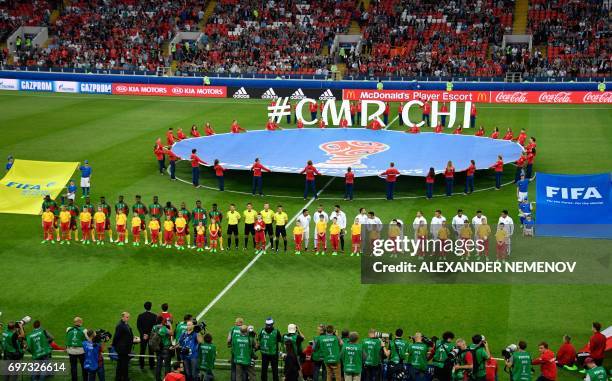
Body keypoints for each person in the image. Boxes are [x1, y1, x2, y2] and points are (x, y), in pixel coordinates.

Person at [112, 312, 134, 381]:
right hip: (122, 349)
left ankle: (120, 378)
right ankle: (124, 378)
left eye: (128, 317)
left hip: (124, 348)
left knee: (121, 364)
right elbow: (116, 337)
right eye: (127, 317)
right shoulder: (120, 326)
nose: (128, 318)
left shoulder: (125, 324)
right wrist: (114, 345)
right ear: (123, 317)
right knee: (123, 364)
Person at [151, 315, 173, 381]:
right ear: (162, 321)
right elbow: (171, 333)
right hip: (165, 348)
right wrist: (170, 325)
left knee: (158, 365)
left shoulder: (154, 327)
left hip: (157, 348)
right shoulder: (164, 328)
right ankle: (167, 379)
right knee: (167, 365)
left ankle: (158, 379)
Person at [137, 302, 157, 370]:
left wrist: (143, 334)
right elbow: (155, 327)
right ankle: (151, 365)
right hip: (151, 336)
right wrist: (149, 335)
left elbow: (138, 326)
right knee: (151, 351)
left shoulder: (140, 315)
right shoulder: (154, 316)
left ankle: (141, 364)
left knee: (142, 350)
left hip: (143, 336)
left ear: (144, 307)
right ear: (151, 307)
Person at [66, 317, 87, 381]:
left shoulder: (68, 329)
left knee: (73, 367)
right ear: (80, 322)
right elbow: (88, 339)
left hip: (71, 351)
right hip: (81, 351)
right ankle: (85, 379)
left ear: (74, 322)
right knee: (84, 366)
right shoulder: (84, 330)